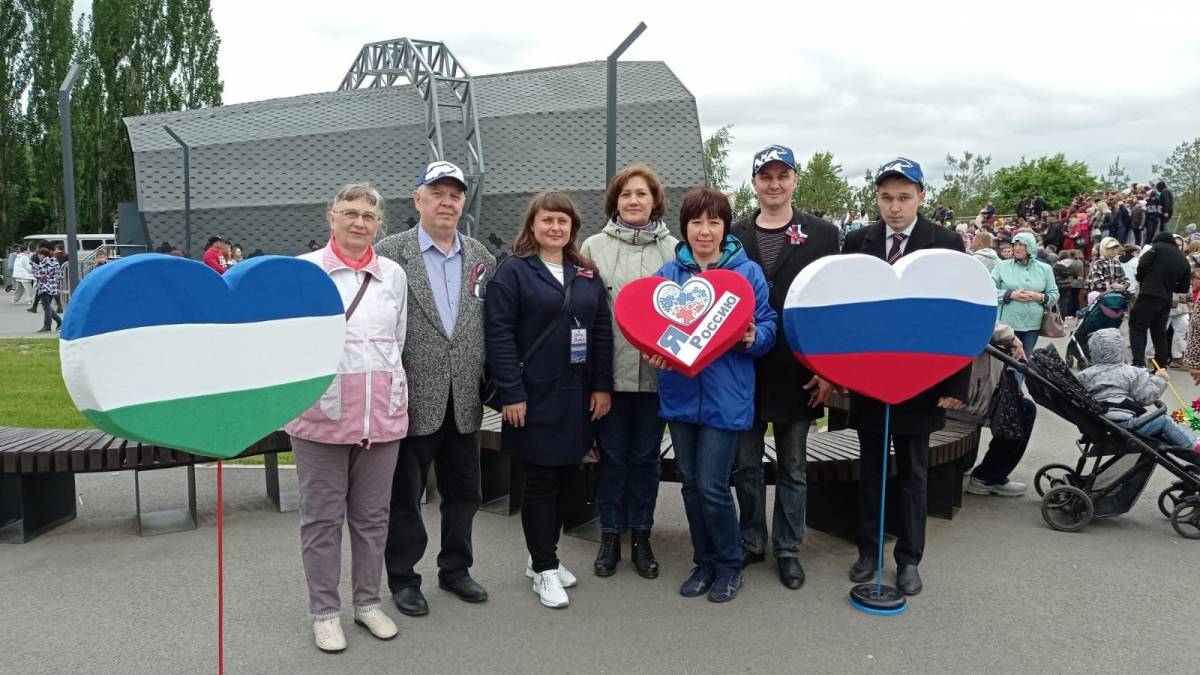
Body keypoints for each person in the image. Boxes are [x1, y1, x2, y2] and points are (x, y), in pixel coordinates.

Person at [283, 183, 408, 652]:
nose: (359, 223)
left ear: (380, 225)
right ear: (330, 216)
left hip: (382, 415)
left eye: (369, 217)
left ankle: (368, 603)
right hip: (323, 413)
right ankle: (324, 611)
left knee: (373, 517)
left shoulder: (392, 275)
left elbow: (397, 340)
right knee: (321, 519)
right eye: (350, 213)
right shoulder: (305, 270)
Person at [841, 157, 970, 597]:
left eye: (904, 197)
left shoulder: (946, 243)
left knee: (914, 473)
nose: (894, 207)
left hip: (922, 380)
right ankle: (869, 550)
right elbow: (846, 312)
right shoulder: (858, 242)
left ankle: (909, 558)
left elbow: (959, 316)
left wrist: (956, 384)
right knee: (872, 470)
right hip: (870, 378)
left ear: (921, 197)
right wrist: (841, 370)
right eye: (886, 198)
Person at [377, 160, 496, 617]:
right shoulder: (391, 254)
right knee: (404, 496)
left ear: (463, 202)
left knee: (464, 493)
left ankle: (456, 569)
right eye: (437, 192)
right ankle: (404, 578)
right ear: (418, 199)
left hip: (465, 400)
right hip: (411, 398)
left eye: (455, 194)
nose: (447, 202)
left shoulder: (480, 256)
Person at [485, 192, 613, 608]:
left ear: (573, 227)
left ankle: (543, 558)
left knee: (565, 479)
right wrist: (511, 392)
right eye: (547, 220)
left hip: (576, 396)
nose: (555, 228)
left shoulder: (587, 273)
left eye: (563, 221)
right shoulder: (514, 272)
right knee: (540, 482)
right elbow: (499, 335)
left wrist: (601, 386)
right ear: (533, 225)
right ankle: (544, 567)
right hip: (531, 396)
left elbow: (600, 333)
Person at [649, 186, 775, 603]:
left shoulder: (747, 273)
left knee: (712, 484)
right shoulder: (668, 277)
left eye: (714, 221)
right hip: (681, 395)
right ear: (684, 228)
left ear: (725, 227)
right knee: (690, 484)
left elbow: (769, 327)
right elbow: (652, 330)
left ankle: (728, 562)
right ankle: (703, 561)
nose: (705, 231)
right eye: (696, 221)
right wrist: (657, 351)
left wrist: (756, 335)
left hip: (727, 396)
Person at [731, 144, 838, 589]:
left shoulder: (823, 233)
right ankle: (752, 539)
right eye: (765, 176)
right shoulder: (734, 233)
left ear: (795, 180)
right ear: (754, 182)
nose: (774, 184)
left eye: (782, 176)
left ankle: (789, 548)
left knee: (794, 464)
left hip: (800, 365)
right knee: (745, 463)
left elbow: (834, 302)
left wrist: (830, 369)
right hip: (745, 365)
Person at [579, 163, 677, 579]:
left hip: (658, 377)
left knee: (645, 460)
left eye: (642, 193)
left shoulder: (675, 250)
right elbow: (585, 315)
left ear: (655, 200)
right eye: (625, 194)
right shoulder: (593, 247)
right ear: (614, 201)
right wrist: (593, 378)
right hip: (610, 378)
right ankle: (608, 536)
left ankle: (641, 536)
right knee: (612, 458)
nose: (634, 200)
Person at [1079, 329, 1197, 451]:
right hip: (1123, 427)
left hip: (1099, 425)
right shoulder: (1129, 372)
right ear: (1120, 349)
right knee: (1163, 421)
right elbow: (1146, 397)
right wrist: (1160, 379)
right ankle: (1193, 447)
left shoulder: (1084, 375)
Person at [955, 323, 1032, 496]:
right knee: (1023, 411)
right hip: (964, 393)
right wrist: (1011, 337)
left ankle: (968, 465)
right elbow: (976, 321)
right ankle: (988, 477)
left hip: (969, 389)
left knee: (1015, 405)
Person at [993, 231, 1059, 386]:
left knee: (1023, 362)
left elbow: (1054, 294)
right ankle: (1001, 396)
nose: (1017, 248)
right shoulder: (1001, 266)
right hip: (1007, 324)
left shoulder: (1045, 269)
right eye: (1015, 244)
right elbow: (988, 290)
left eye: (1021, 244)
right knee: (1004, 363)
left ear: (1030, 247)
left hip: (1032, 325)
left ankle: (1015, 396)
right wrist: (1011, 294)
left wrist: (1039, 297)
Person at [1130, 232, 1191, 368]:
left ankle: (1138, 363)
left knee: (1137, 327)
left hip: (1149, 295)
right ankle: (1160, 365)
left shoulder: (1155, 249)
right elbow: (1183, 288)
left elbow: (1143, 264)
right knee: (1159, 331)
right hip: (1166, 299)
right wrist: (1170, 285)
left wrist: (1142, 278)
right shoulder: (1183, 259)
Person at [31, 243, 62, 333]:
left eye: (39, 255)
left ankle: (47, 326)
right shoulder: (55, 261)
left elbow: (39, 274)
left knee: (46, 307)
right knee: (47, 306)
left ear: (42, 255)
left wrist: (34, 270)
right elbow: (58, 274)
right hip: (52, 286)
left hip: (44, 286)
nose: (38, 257)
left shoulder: (44, 262)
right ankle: (59, 322)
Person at [1053, 249, 1086, 319]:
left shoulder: (1057, 265)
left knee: (1068, 301)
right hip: (1076, 282)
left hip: (1069, 283)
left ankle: (1067, 314)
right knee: (1075, 299)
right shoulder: (1079, 262)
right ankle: (1074, 313)